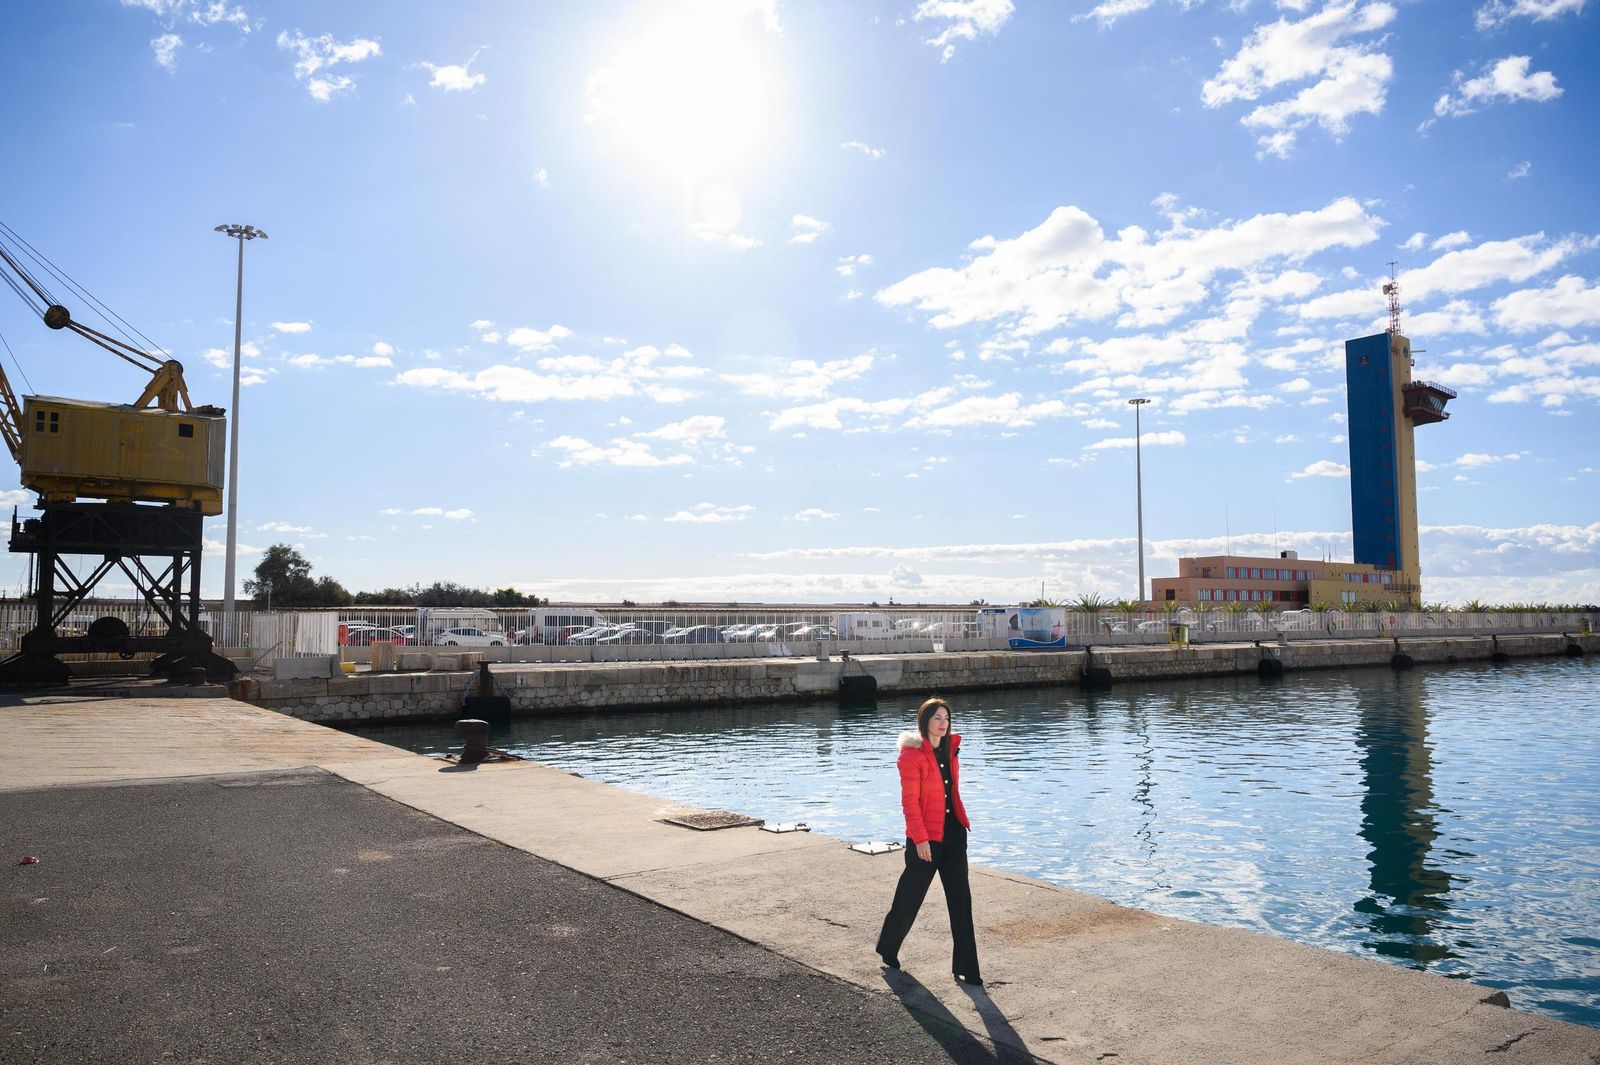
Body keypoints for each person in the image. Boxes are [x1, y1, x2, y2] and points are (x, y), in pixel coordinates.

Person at [875, 696, 982, 986]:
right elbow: (910, 803)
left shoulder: (951, 751)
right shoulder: (911, 756)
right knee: (910, 897)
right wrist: (920, 839)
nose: (943, 723)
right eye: (937, 718)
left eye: (946, 718)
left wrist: (960, 823)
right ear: (925, 722)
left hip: (955, 835)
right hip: (926, 839)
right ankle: (888, 945)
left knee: (961, 901)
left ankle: (967, 968)